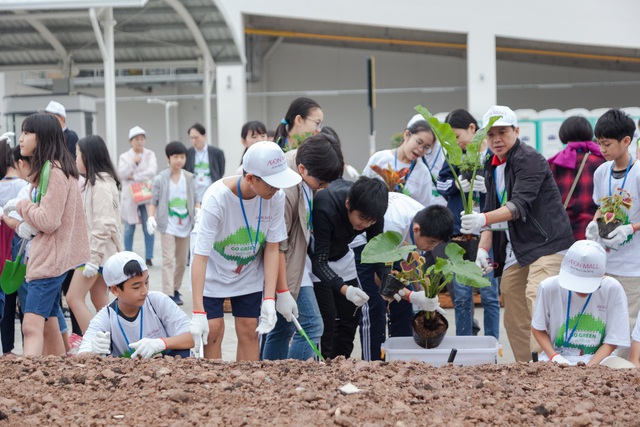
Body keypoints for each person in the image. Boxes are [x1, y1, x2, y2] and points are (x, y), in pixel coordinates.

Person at [460, 105, 574, 363]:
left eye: (502, 132)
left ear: (516, 131)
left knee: (538, 297)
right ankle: (528, 367)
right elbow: (491, 209)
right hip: (519, 250)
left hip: (547, 245)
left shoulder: (529, 159)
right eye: (491, 135)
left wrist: (482, 219)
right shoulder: (490, 165)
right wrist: (482, 249)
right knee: (513, 309)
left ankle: (553, 364)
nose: (496, 139)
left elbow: (516, 206)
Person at [189, 141, 301, 361]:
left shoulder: (275, 197)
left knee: (250, 328)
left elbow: (272, 247)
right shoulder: (217, 199)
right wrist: (197, 311)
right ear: (251, 178)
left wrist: (271, 297)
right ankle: (216, 385)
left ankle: (248, 387)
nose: (276, 189)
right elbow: (200, 257)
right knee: (213, 330)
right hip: (213, 269)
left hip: (248, 269)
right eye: (271, 184)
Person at [2, 113, 89, 356]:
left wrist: (21, 206)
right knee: (51, 324)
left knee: (30, 326)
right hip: (51, 258)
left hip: (49, 262)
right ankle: (55, 378)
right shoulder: (54, 169)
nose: (21, 139)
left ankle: (29, 380)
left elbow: (48, 221)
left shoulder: (55, 172)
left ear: (43, 138)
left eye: (27, 133)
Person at [262, 133, 344, 361]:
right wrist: (282, 291)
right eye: (322, 182)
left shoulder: (305, 173)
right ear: (302, 169)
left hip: (296, 261)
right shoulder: (285, 192)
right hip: (285, 263)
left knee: (284, 328)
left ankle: (273, 381)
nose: (325, 187)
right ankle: (291, 380)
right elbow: (276, 246)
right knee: (311, 324)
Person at [354, 194, 454, 360]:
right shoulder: (392, 225)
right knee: (374, 306)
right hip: (366, 247)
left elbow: (413, 261)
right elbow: (380, 279)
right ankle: (372, 364)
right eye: (430, 243)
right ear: (416, 229)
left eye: (436, 244)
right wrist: (412, 296)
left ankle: (401, 361)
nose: (431, 248)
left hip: (396, 248)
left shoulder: (425, 222)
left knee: (403, 309)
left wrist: (425, 297)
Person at [310, 176, 389, 359]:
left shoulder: (373, 214)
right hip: (316, 259)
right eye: (362, 219)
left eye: (371, 222)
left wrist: (389, 282)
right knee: (327, 318)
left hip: (343, 255)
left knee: (351, 315)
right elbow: (319, 262)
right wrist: (345, 289)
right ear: (348, 203)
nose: (365, 225)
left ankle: (341, 362)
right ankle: (322, 367)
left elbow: (376, 252)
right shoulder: (325, 205)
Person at [438, 108, 500, 340]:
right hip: (460, 235)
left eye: (456, 135)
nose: (455, 142)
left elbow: (505, 193)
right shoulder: (453, 156)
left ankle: (492, 343)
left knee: (490, 295)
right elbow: (441, 184)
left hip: (488, 233)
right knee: (462, 295)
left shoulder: (492, 156)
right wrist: (456, 185)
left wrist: (489, 188)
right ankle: (464, 343)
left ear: (472, 129)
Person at [586, 109, 640, 360]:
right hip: (606, 262)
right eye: (599, 143)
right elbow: (601, 205)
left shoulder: (638, 172)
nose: (602, 149)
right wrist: (595, 223)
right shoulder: (601, 172)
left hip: (632, 266)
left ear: (626, 141)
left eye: (607, 144)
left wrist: (630, 228)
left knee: (628, 323)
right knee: (604, 320)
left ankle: (624, 377)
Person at [531, 240, 634, 368]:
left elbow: (613, 340)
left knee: (628, 371)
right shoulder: (548, 287)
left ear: (602, 275)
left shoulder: (612, 288)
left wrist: (590, 366)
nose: (581, 289)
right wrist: (555, 357)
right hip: (556, 358)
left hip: (601, 359)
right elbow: (537, 327)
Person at [78, 251, 194, 358]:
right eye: (136, 287)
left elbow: (193, 337)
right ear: (115, 290)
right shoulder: (106, 317)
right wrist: (94, 352)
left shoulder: (158, 301)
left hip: (166, 372)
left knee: (184, 353)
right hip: (127, 377)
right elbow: (81, 356)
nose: (144, 291)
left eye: (146, 282)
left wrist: (161, 343)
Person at [66, 135, 122, 334]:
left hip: (94, 255)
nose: (75, 159)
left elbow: (104, 224)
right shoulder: (96, 182)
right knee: (100, 302)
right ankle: (111, 343)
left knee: (73, 298)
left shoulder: (100, 184)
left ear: (88, 157)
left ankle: (94, 342)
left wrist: (93, 258)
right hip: (96, 254)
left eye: (77, 154)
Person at [146, 141, 196, 306]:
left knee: (181, 261)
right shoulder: (161, 178)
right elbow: (154, 200)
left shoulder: (189, 177)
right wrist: (151, 217)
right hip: (167, 224)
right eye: (175, 157)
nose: (179, 160)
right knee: (168, 259)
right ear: (168, 158)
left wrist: (198, 211)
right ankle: (168, 293)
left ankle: (175, 289)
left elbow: (195, 199)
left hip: (186, 224)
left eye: (182, 157)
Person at [548, 116, 604, 241]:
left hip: (564, 235)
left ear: (563, 134)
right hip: (595, 234)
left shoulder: (554, 164)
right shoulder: (602, 162)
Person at [363, 118, 434, 207]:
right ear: (406, 135)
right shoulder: (379, 158)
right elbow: (362, 189)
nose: (420, 149)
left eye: (426, 147)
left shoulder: (423, 172)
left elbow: (424, 207)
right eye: (419, 142)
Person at [0, 142, 29, 355]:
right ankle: (30, 346)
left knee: (7, 299)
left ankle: (8, 349)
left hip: (3, 249)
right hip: (22, 245)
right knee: (26, 301)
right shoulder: (25, 185)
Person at [118, 126, 157, 266]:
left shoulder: (150, 154)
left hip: (146, 195)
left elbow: (152, 171)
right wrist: (133, 162)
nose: (139, 142)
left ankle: (149, 257)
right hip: (131, 197)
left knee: (149, 225)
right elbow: (122, 173)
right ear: (130, 141)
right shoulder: (124, 157)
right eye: (136, 139)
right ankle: (127, 254)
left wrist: (134, 176)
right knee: (129, 227)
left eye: (142, 139)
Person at [406, 114, 447, 206]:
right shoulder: (409, 155)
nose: (420, 148)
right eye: (419, 141)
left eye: (427, 145)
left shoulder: (444, 152)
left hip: (441, 208)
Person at [184, 123, 225, 204]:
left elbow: (221, 170)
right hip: (194, 192)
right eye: (191, 138)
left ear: (204, 136)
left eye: (196, 137)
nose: (193, 141)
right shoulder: (188, 153)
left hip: (211, 190)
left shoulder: (216, 152)